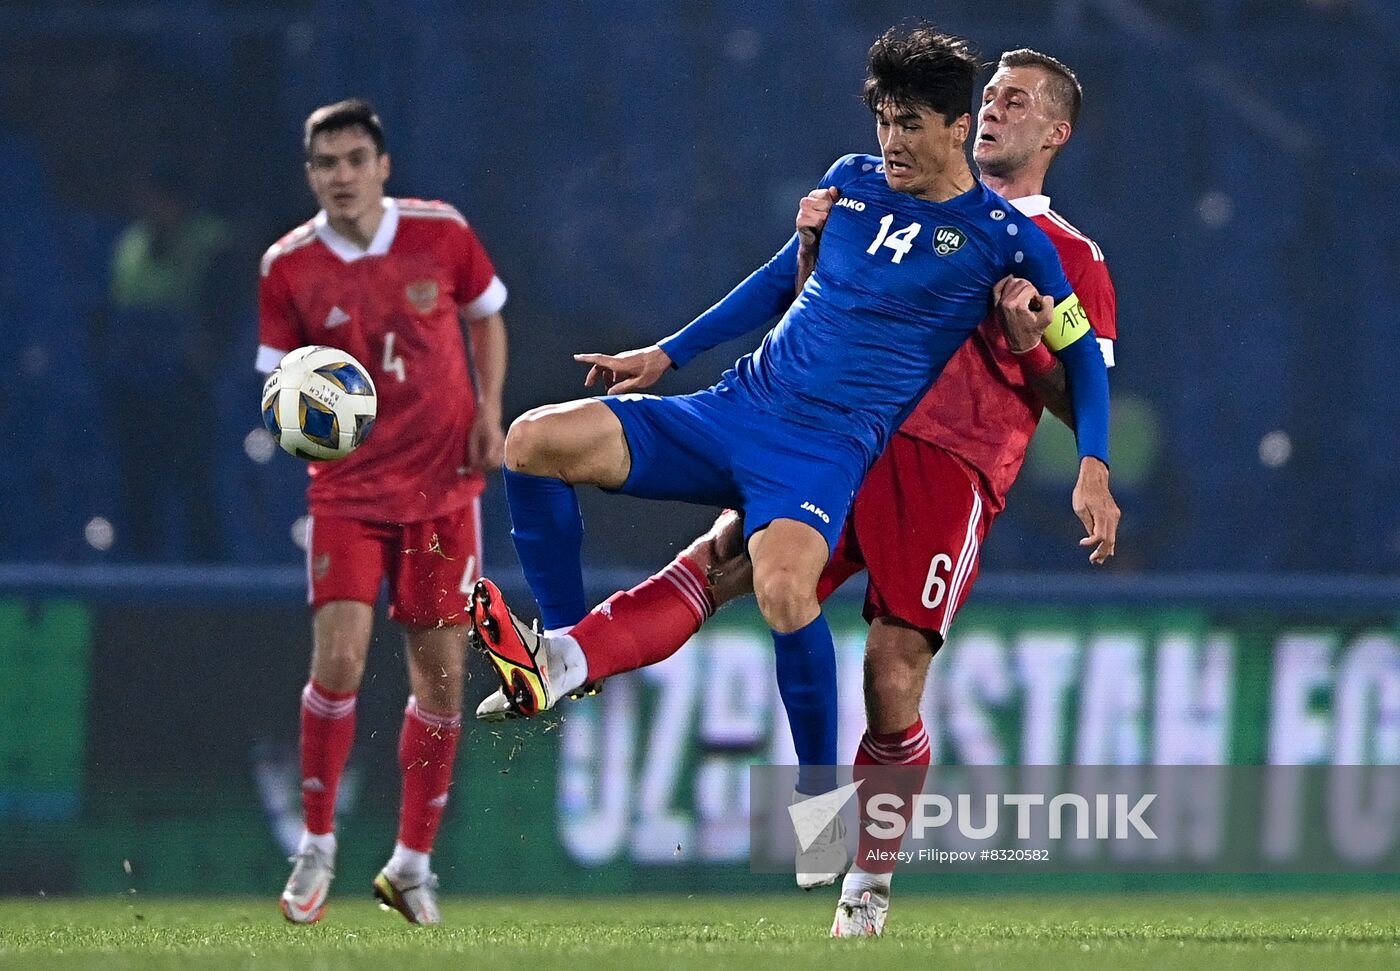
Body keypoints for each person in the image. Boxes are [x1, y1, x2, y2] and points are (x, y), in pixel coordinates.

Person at [475, 47, 1119, 937]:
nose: (1000, 108)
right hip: (775, 417)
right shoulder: (856, 185)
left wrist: (1057, 395)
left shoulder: (1048, 251)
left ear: (1047, 132)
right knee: (700, 555)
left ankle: (863, 871)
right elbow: (790, 282)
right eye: (994, 91)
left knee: (889, 678)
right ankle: (563, 653)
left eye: (1017, 100)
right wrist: (672, 347)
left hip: (939, 467)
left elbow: (1076, 373)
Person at [256, 99, 509, 925]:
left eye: (354, 158)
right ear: (310, 174)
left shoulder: (442, 232)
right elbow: (277, 388)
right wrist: (304, 435)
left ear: (383, 164)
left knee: (440, 678)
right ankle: (318, 841)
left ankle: (411, 863)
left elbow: (486, 314)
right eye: (326, 163)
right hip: (349, 492)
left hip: (443, 487)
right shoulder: (288, 266)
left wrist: (490, 407)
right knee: (340, 661)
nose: (341, 175)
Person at [105, 165, 238, 561]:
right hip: (136, 390)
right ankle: (139, 590)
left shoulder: (212, 245)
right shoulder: (129, 247)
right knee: (139, 495)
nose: (147, 209)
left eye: (156, 201)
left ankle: (211, 596)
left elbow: (222, 323)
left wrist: (199, 354)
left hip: (190, 390)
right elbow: (114, 316)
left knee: (197, 493)